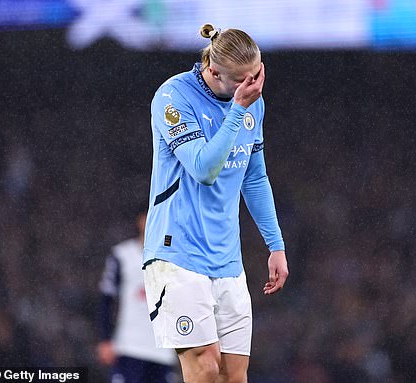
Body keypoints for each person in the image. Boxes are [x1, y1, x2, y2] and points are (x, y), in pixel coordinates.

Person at [142, 23, 289, 383]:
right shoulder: (173, 97)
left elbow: (254, 177)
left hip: (227, 259)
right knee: (205, 368)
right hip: (177, 254)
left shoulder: (253, 104)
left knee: (233, 377)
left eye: (256, 77)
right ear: (213, 72)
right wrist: (237, 110)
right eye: (242, 81)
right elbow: (204, 169)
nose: (252, 87)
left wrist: (276, 245)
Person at [97, 210, 177, 383]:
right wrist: (105, 338)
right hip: (129, 346)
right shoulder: (122, 255)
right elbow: (106, 298)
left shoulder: (174, 258)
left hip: (163, 351)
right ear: (140, 220)